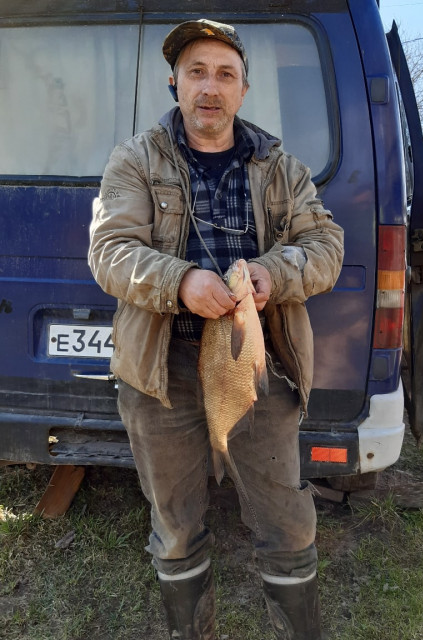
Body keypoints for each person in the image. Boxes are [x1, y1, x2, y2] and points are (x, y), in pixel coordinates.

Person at [88, 19, 344, 640]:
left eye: (225, 74)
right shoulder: (135, 159)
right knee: (174, 524)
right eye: (197, 72)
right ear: (174, 82)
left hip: (257, 361)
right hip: (162, 371)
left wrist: (270, 275)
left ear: (243, 90)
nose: (210, 87)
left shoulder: (280, 166)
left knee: (288, 520)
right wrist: (179, 282)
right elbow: (110, 250)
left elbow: (326, 244)